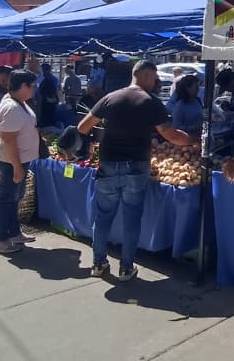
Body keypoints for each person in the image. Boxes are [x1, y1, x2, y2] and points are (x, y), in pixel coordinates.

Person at [76, 61, 196, 280]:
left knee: (103, 217)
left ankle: (98, 264)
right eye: (154, 77)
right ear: (147, 76)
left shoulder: (111, 97)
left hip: (108, 164)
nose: (156, 81)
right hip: (136, 166)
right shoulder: (151, 102)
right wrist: (194, 141)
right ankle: (126, 268)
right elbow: (171, 135)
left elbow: (83, 127)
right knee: (132, 218)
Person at [0, 70, 40, 254]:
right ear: (23, 86)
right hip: (11, 161)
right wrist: (17, 167)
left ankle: (13, 232)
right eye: (32, 86)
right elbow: (8, 141)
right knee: (6, 199)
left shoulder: (18, 102)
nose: (34, 89)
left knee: (14, 198)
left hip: (18, 160)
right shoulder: (12, 107)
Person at [36, 63, 61, 128]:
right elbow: (58, 90)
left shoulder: (41, 79)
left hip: (44, 103)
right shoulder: (55, 79)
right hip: (52, 101)